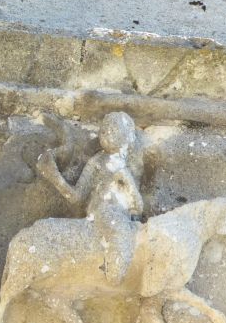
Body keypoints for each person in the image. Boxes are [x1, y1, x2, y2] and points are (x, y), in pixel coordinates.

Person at [36, 111, 145, 285]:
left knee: (120, 227)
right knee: (116, 227)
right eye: (104, 128)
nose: (107, 132)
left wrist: (125, 179)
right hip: (103, 212)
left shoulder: (129, 165)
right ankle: (115, 272)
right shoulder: (98, 161)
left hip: (121, 215)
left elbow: (138, 206)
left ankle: (118, 269)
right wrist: (55, 178)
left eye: (114, 128)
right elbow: (77, 197)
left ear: (129, 137)